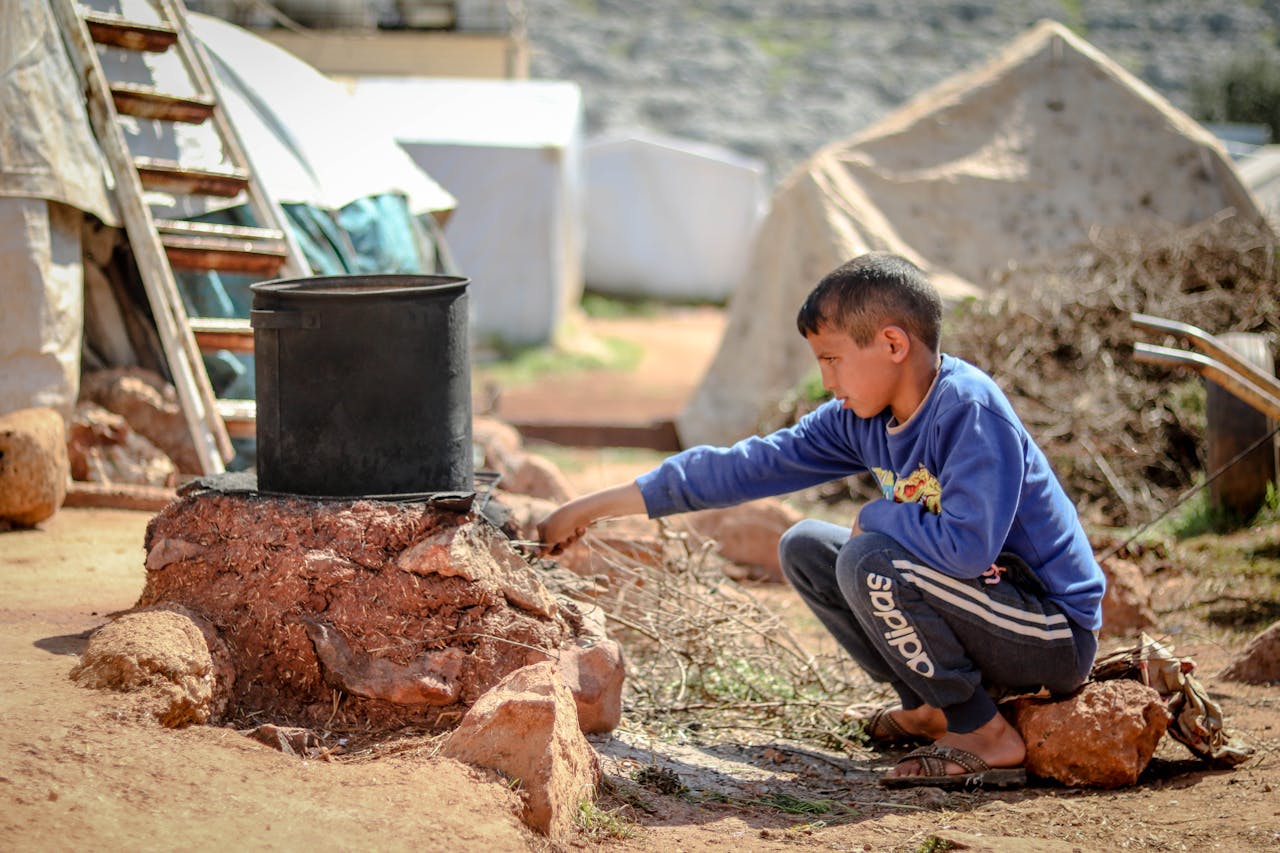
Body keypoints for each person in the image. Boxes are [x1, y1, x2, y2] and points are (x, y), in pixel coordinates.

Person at [537, 252, 1105, 789]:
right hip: (980, 610)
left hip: (1048, 630)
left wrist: (879, 512)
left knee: (869, 559)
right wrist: (591, 507)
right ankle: (933, 708)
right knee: (806, 547)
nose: (828, 382)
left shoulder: (967, 410)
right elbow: (744, 467)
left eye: (832, 360)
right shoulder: (860, 419)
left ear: (891, 344)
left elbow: (968, 549)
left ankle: (983, 733)